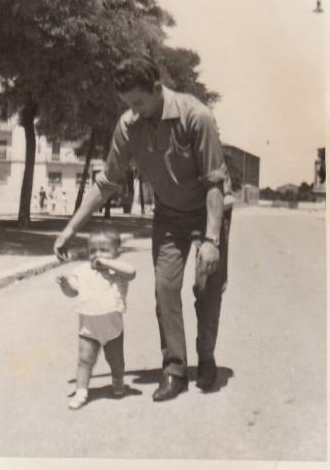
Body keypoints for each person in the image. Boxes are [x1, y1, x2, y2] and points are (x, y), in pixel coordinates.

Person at [53, 56, 233, 402]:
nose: (134, 111)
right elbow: (106, 183)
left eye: (138, 102)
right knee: (166, 289)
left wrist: (212, 240)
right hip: (169, 216)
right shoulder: (128, 125)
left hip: (209, 213)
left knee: (207, 289)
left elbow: (214, 183)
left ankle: (206, 358)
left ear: (156, 88)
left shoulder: (197, 116)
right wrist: (70, 229)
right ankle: (174, 369)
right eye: (128, 104)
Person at [55, 227, 136, 410]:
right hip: (88, 326)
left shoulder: (118, 271)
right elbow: (73, 292)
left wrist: (109, 263)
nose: (97, 255)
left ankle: (118, 380)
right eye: (93, 250)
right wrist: (65, 284)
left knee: (115, 359)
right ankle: (81, 391)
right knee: (84, 359)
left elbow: (132, 272)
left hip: (112, 327)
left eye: (104, 250)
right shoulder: (83, 271)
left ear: (117, 252)